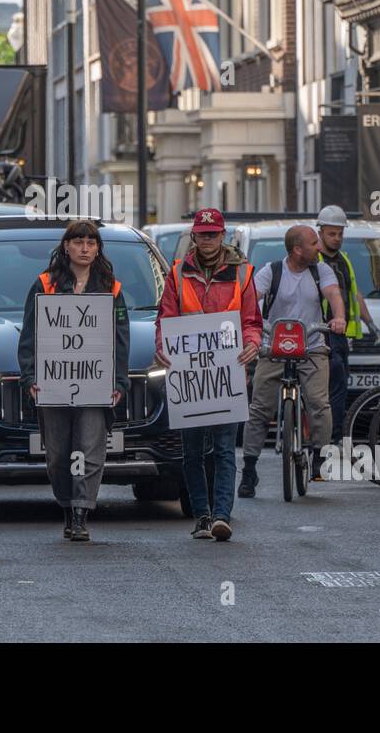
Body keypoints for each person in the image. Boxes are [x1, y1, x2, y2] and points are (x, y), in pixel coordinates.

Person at [18, 220, 130, 542]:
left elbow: (121, 341)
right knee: (58, 454)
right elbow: (29, 337)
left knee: (88, 449)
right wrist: (30, 378)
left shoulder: (112, 288)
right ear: (66, 246)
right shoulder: (44, 284)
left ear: (98, 249)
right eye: (78, 242)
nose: (85, 248)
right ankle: (67, 506)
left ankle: (81, 512)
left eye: (91, 243)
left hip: (95, 385)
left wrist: (119, 383)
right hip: (53, 386)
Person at [154, 208, 262, 542]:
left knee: (225, 448)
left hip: (226, 374)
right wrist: (162, 345)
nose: (208, 240)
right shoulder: (177, 273)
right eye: (202, 234)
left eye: (213, 234)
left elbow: (251, 319)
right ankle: (201, 515)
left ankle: (221, 516)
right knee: (192, 452)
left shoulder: (242, 274)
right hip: (189, 376)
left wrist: (253, 343)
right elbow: (166, 317)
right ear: (194, 236)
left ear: (223, 235)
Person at [239, 224, 345, 497]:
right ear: (297, 249)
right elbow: (251, 299)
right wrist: (248, 322)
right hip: (272, 347)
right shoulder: (271, 272)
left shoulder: (320, 270)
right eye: (313, 243)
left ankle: (319, 454)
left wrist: (338, 318)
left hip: (311, 346)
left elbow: (333, 295)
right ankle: (249, 470)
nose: (319, 247)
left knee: (319, 403)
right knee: (259, 409)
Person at [313, 205, 379, 444]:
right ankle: (327, 437)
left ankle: (335, 436)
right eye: (332, 234)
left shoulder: (344, 260)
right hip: (320, 334)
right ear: (320, 232)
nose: (337, 238)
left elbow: (354, 293)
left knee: (339, 389)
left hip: (341, 336)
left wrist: (369, 321)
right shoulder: (314, 260)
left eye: (340, 233)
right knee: (327, 390)